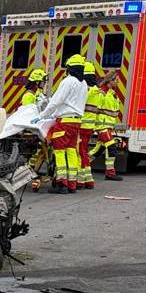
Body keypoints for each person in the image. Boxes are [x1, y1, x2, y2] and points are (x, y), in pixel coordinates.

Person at [38, 54, 90, 195]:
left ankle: (61, 184)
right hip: (76, 122)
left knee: (59, 151)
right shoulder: (83, 84)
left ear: (70, 68)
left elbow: (56, 101)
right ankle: (72, 184)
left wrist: (42, 115)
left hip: (65, 122)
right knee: (71, 151)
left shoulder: (68, 81)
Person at [91, 71, 123, 181]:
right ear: (110, 80)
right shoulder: (102, 93)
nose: (118, 82)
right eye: (116, 80)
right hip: (102, 126)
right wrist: (94, 126)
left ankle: (81, 164)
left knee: (98, 151)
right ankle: (110, 173)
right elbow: (95, 110)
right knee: (111, 147)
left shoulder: (112, 93)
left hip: (108, 126)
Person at [77, 60, 101, 189]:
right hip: (89, 127)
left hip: (82, 126)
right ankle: (89, 179)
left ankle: (80, 180)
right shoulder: (96, 90)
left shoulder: (87, 90)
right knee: (84, 152)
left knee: (80, 153)